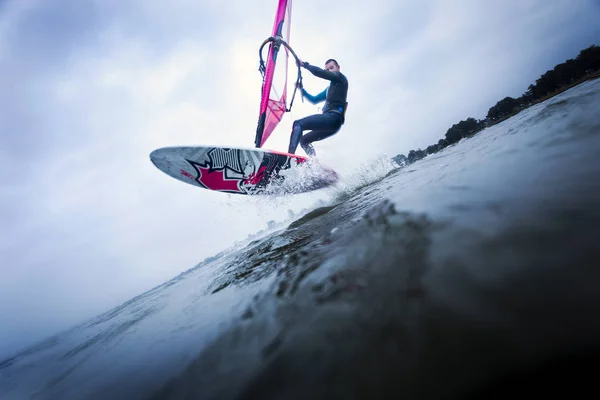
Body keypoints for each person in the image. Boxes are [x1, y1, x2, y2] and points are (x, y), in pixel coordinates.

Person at [288, 58, 348, 156]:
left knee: (298, 124)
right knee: (304, 141)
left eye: (332, 68)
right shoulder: (329, 89)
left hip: (333, 118)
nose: (329, 71)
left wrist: (304, 64)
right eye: (327, 70)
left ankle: (288, 157)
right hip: (331, 124)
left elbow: (321, 73)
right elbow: (314, 100)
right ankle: (314, 164)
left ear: (338, 68)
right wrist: (302, 90)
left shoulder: (341, 78)